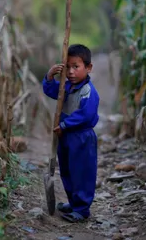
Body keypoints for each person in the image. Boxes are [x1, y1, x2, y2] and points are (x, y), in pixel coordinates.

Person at [42, 44, 100, 223]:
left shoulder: (88, 92)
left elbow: (86, 114)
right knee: (67, 170)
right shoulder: (66, 87)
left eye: (76, 66)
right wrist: (50, 76)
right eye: (67, 67)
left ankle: (82, 209)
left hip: (81, 137)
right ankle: (74, 203)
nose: (71, 72)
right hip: (65, 137)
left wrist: (66, 124)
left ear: (88, 68)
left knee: (81, 172)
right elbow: (52, 91)